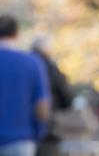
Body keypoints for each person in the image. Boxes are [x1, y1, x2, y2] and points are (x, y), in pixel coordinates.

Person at [0, 15, 50, 156]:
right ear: (16, 34)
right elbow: (42, 107)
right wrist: (38, 133)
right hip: (21, 141)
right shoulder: (32, 63)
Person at [31, 35, 74, 156]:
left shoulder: (25, 66)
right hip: (48, 132)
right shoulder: (52, 68)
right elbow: (67, 99)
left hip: (24, 130)